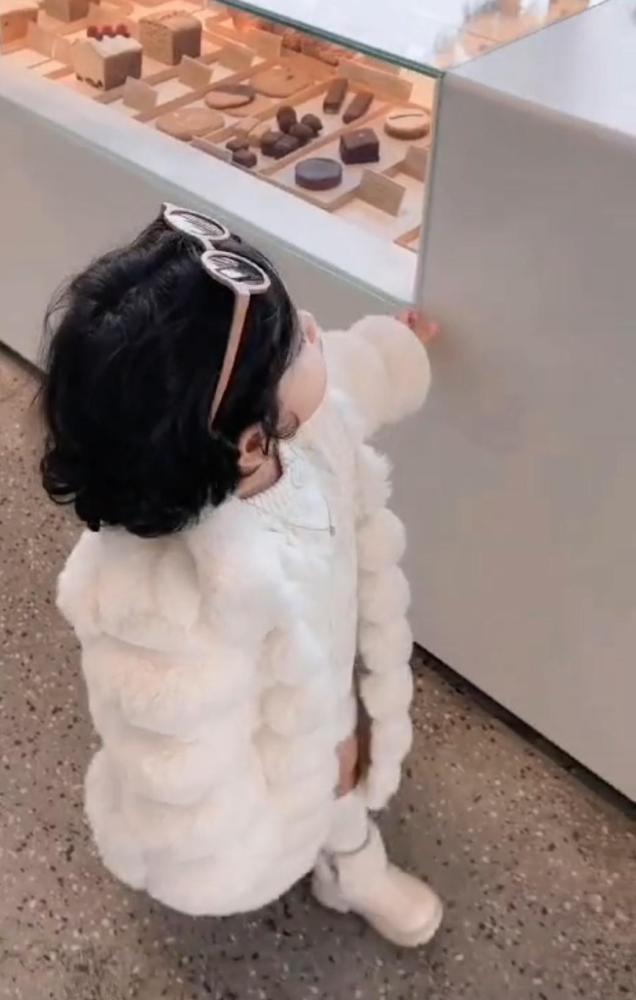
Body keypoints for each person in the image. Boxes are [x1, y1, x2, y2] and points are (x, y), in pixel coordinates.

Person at [38, 204, 442, 947]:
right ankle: (349, 863)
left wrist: (395, 347)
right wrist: (312, 763)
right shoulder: (172, 605)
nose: (316, 328)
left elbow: (350, 376)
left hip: (329, 658)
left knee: (347, 772)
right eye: (297, 342)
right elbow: (183, 762)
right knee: (337, 791)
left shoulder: (303, 428)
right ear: (251, 442)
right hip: (279, 740)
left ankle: (349, 854)